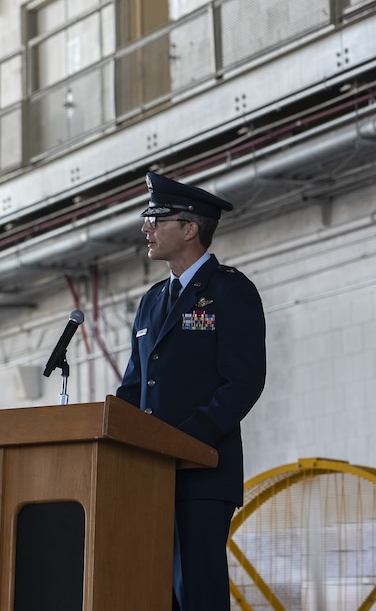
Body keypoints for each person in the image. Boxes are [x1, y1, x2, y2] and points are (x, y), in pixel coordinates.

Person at [116, 171, 266, 611]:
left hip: (201, 475)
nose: (146, 227)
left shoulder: (229, 292)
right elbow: (132, 389)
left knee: (197, 595)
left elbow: (242, 382)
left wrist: (184, 442)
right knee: (156, 595)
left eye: (156, 217)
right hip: (149, 476)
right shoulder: (151, 301)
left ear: (189, 228)